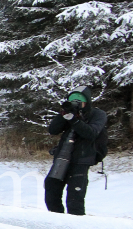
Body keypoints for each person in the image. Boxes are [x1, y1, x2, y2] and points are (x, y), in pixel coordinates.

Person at [45, 85, 107, 216]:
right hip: (62, 158)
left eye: (79, 102)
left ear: (87, 102)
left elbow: (91, 133)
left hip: (81, 160)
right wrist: (64, 114)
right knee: (51, 189)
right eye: (73, 101)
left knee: (75, 198)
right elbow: (53, 130)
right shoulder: (68, 114)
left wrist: (74, 120)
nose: (76, 104)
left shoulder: (98, 114)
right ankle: (56, 221)